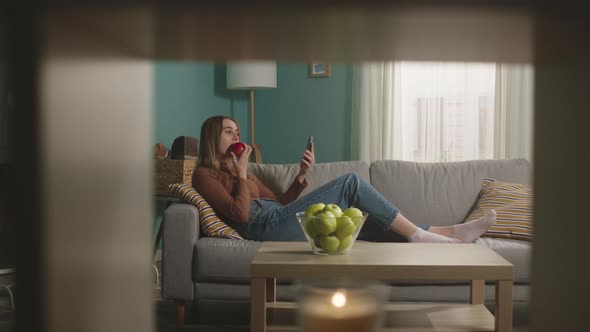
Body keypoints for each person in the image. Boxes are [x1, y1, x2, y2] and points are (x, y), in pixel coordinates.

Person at [193, 115, 496, 243]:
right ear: (212, 138)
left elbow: (282, 202)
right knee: (350, 182)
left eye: (237, 131)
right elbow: (241, 215)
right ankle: (420, 235)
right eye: (229, 131)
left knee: (366, 226)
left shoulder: (240, 170)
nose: (237, 135)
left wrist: (301, 175)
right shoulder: (205, 174)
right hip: (262, 228)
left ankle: (452, 233)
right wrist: (244, 172)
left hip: (277, 217)